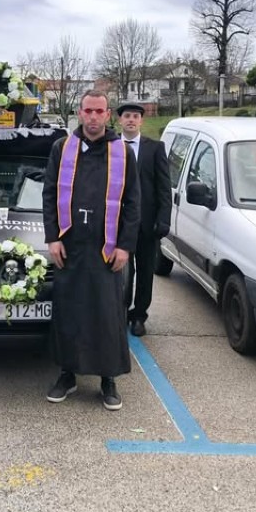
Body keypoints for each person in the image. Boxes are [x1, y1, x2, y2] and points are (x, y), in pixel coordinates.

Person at [42, 90, 140, 411]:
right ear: (79, 112)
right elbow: (49, 193)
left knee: (106, 313)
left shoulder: (122, 152)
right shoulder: (62, 148)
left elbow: (133, 202)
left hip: (105, 246)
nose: (94, 117)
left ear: (108, 114)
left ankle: (108, 378)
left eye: (99, 111)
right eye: (88, 111)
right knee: (69, 310)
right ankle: (67, 374)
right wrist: (53, 237)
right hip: (70, 244)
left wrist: (124, 245)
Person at [116, 100, 171, 337]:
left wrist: (164, 219)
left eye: (135, 116)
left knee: (146, 271)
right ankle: (120, 312)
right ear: (120, 120)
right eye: (127, 116)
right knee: (121, 271)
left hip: (147, 224)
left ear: (141, 121)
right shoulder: (111, 146)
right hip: (117, 223)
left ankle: (139, 315)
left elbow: (164, 187)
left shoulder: (155, 148)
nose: (131, 120)